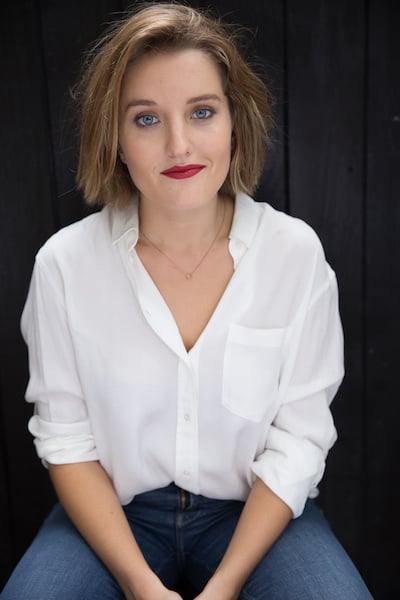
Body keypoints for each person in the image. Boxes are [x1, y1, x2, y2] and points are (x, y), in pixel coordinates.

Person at [1, 3, 373, 599]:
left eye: (202, 112)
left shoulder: (294, 255)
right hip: (117, 515)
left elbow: (299, 441)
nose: (179, 145)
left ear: (234, 123)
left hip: (254, 512)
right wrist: (140, 585)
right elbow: (65, 441)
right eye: (146, 119)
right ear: (116, 140)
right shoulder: (64, 266)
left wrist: (225, 586)